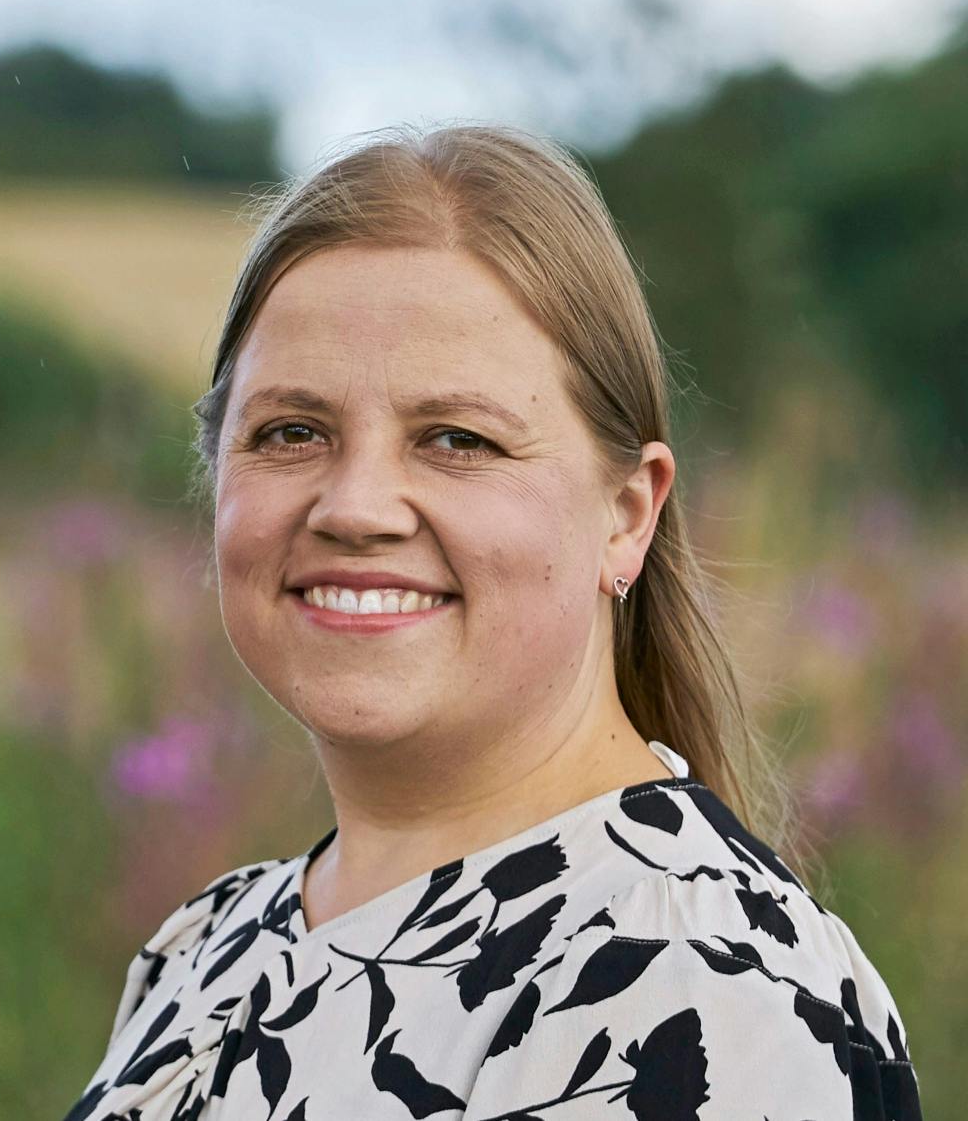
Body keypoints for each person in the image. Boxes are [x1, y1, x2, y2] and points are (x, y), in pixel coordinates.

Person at [65, 125, 919, 1120]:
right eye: (290, 432)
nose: (354, 505)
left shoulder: (697, 991)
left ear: (625, 513)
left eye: (455, 439)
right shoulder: (207, 947)